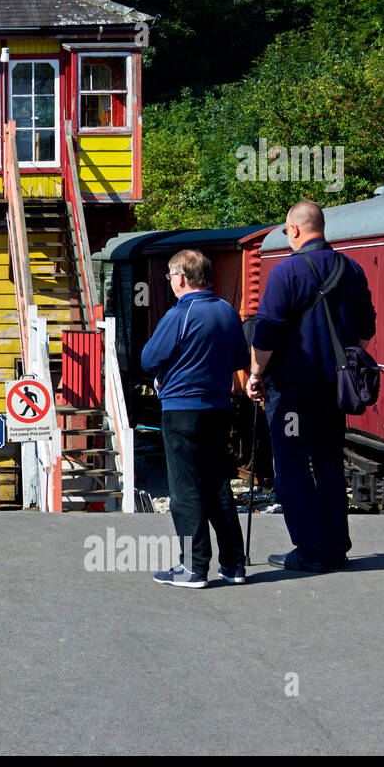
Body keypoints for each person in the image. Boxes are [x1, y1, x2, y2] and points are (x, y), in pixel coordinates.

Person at [247, 200, 376, 572]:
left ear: (295, 230)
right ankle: (336, 547)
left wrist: (256, 374)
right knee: (329, 465)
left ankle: (310, 549)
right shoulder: (351, 269)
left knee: (291, 467)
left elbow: (266, 332)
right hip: (334, 392)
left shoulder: (286, 272)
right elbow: (366, 331)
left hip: (292, 392)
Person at [141, 250, 250, 588]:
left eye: (171, 277)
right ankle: (233, 564)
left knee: (184, 489)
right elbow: (239, 358)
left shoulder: (179, 315)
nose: (171, 282)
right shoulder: (228, 312)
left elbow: (149, 359)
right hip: (218, 408)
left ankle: (193, 567)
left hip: (181, 409)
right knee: (217, 485)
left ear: (182, 278)